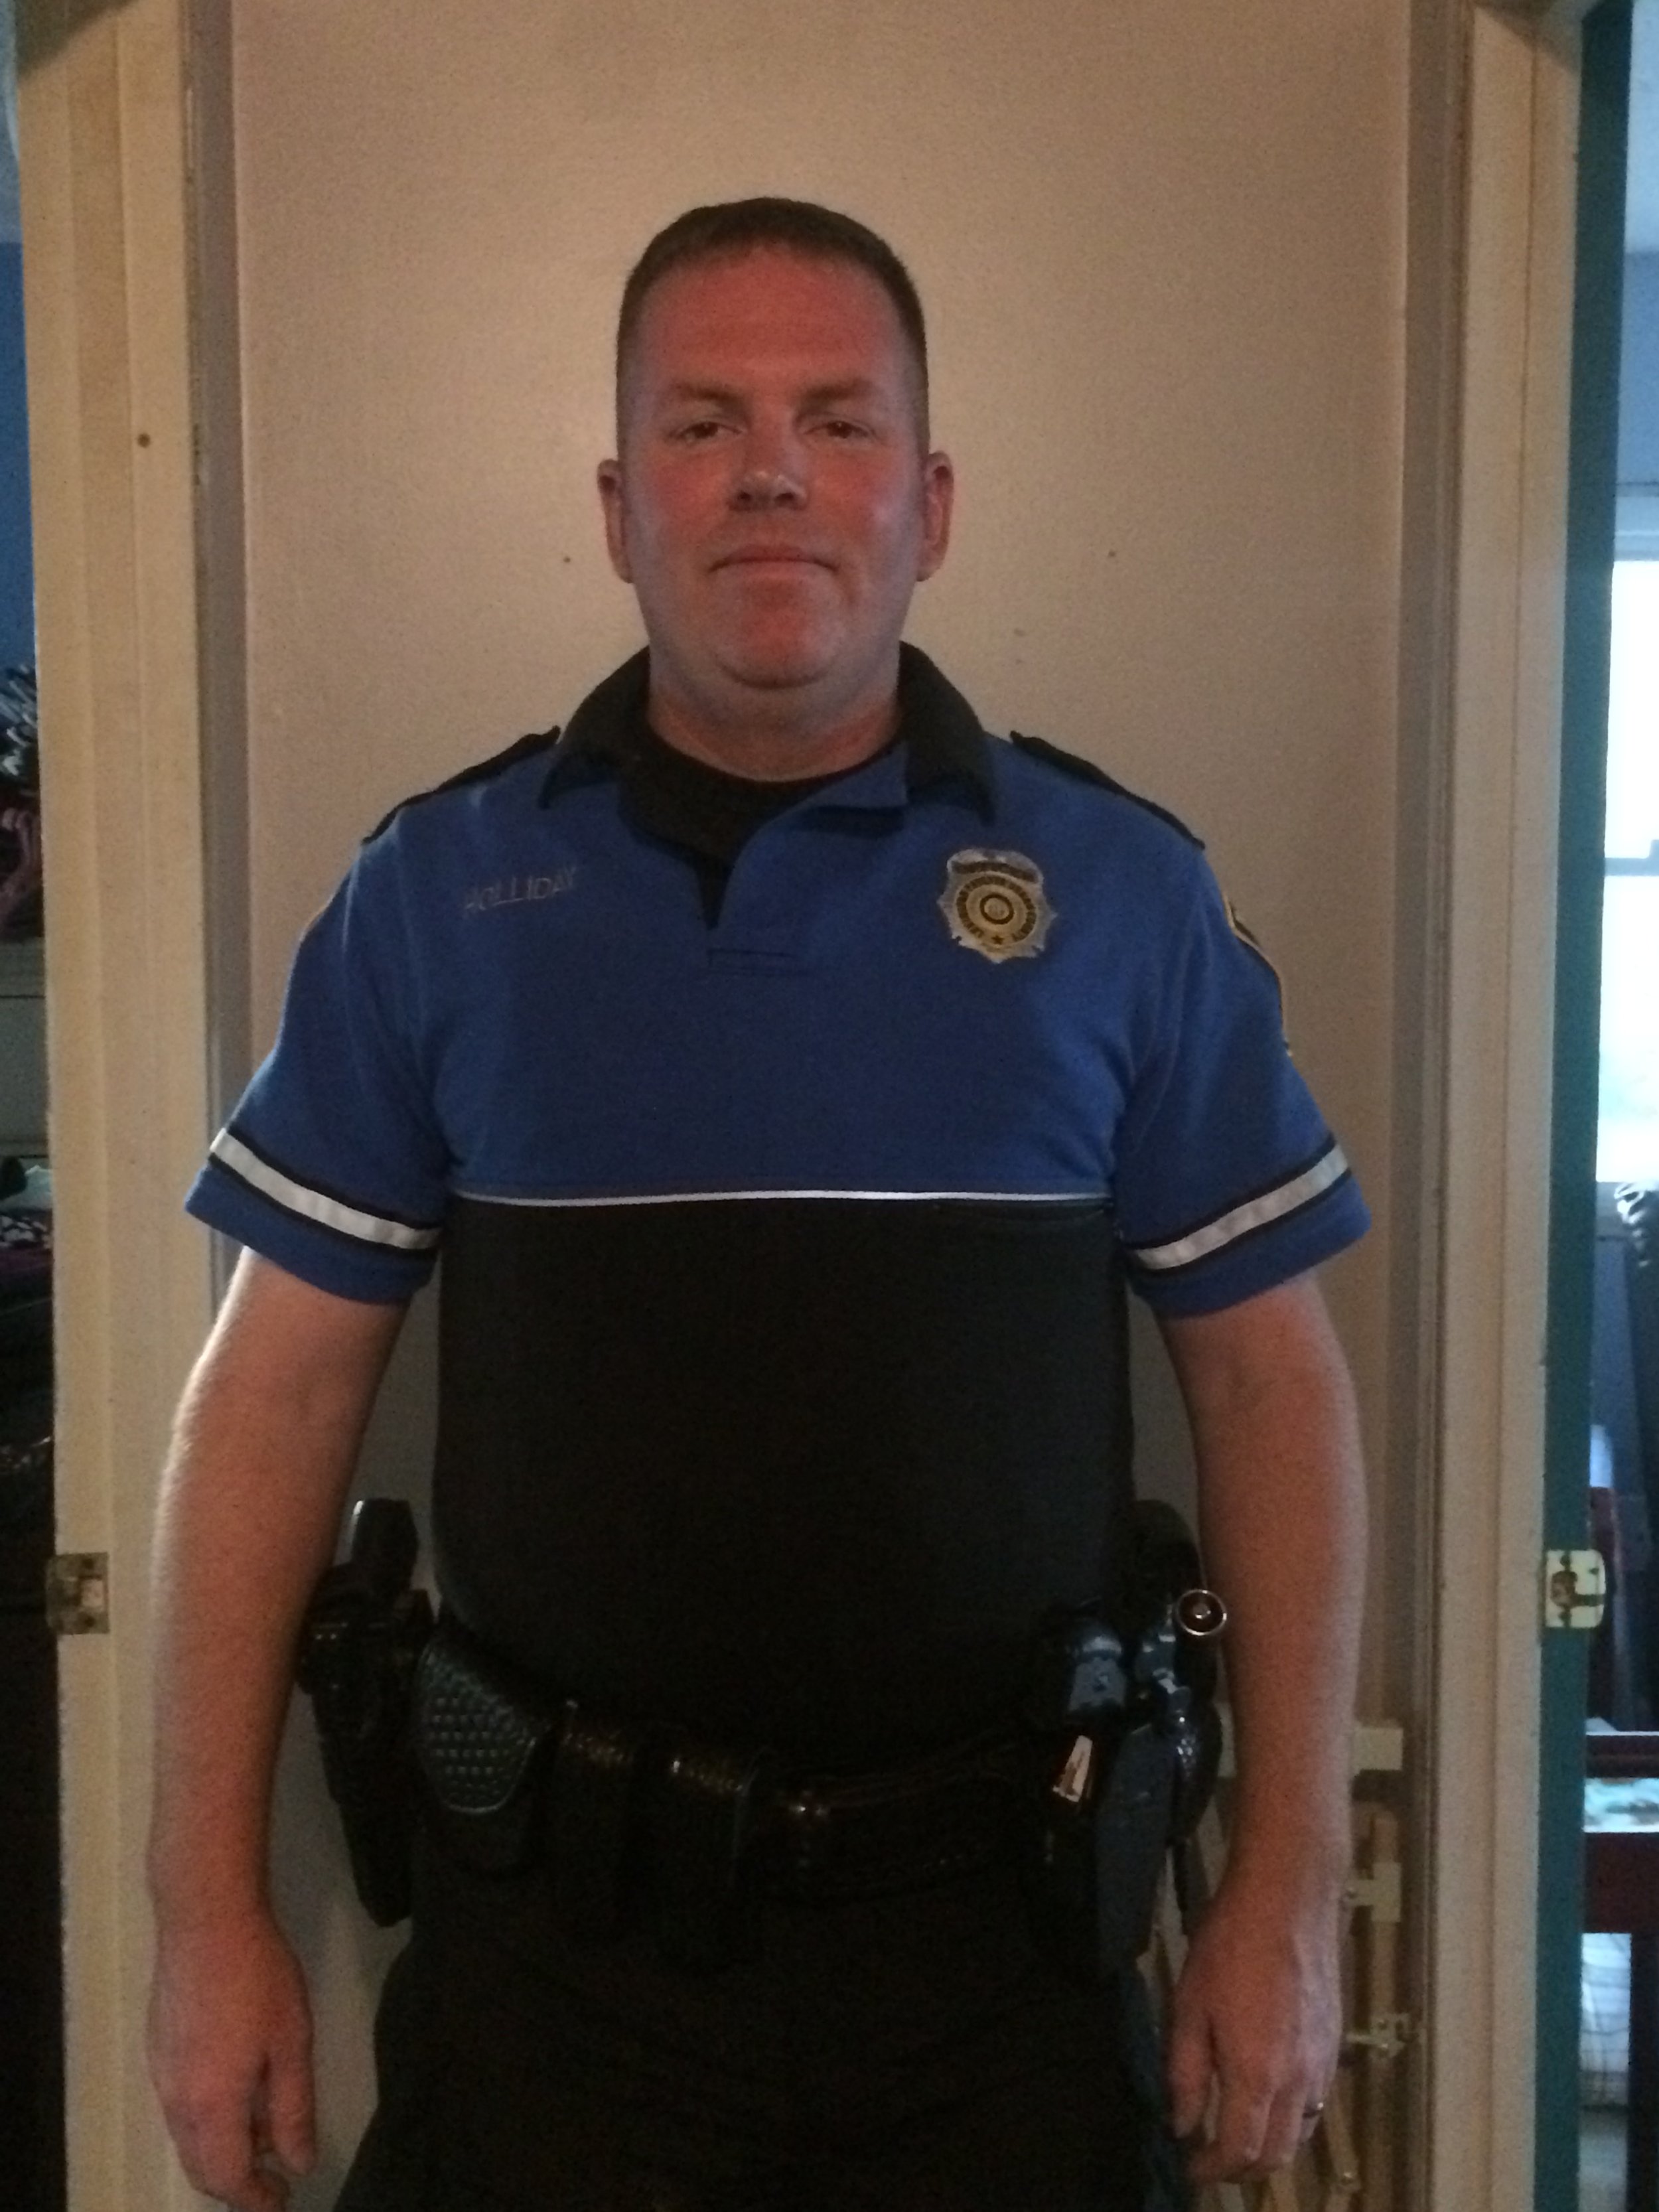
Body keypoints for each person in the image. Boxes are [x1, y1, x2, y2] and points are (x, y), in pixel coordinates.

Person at [146, 198, 1369, 2212]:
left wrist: (1285, 1893)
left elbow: (1268, 1394)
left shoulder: (1121, 895)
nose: (774, 472)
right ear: (624, 508)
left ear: (932, 499)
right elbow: (268, 1403)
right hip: (556, 1975)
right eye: (704, 426)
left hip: (1008, 1976)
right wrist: (203, 1914)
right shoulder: (433, 899)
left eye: (837, 420)